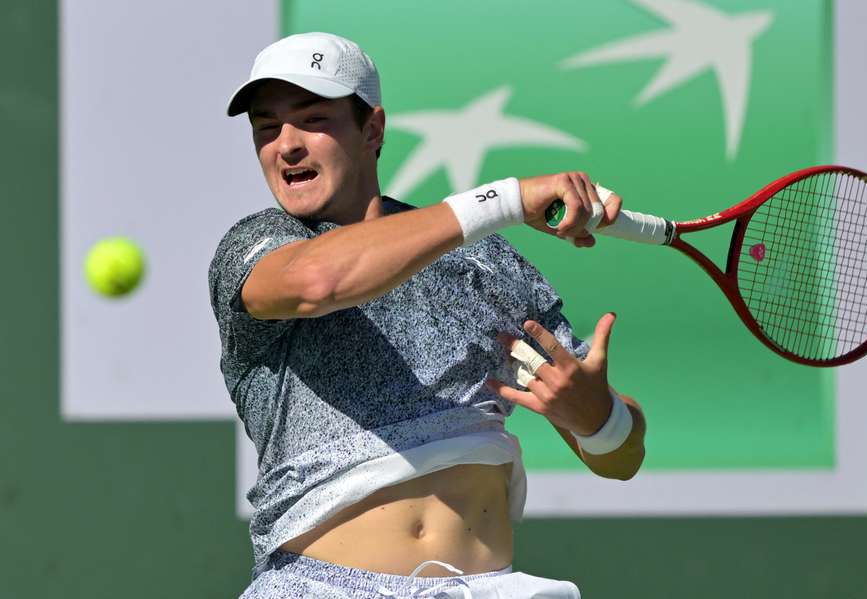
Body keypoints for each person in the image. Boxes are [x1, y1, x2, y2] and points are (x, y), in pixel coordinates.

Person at [209, 32, 647, 599]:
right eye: (266, 126)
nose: (285, 144)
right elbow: (321, 281)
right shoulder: (258, 248)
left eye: (312, 119)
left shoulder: (481, 261)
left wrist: (598, 417)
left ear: (372, 130)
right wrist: (508, 200)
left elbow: (621, 460)